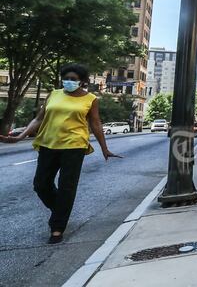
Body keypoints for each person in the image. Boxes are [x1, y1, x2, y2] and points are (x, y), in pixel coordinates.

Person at [0, 64, 122, 244]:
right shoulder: (54, 94)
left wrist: (105, 148)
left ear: (82, 81)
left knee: (67, 187)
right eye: (66, 78)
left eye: (73, 79)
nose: (69, 82)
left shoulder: (90, 99)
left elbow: (96, 123)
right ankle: (60, 211)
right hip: (48, 143)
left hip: (74, 146)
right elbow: (38, 119)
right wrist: (20, 137)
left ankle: (57, 228)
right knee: (40, 184)